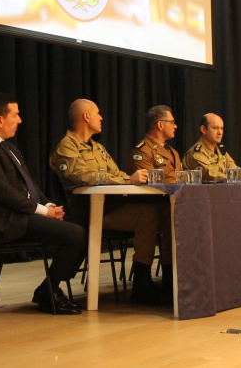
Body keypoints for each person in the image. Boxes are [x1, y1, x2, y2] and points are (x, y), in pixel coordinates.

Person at [0, 92, 87, 315]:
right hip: (3, 220)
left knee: (86, 229)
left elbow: (31, 186)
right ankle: (49, 291)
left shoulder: (9, 147)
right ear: (0, 120)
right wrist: (42, 211)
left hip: (22, 214)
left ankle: (48, 289)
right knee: (75, 234)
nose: (20, 120)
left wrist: (49, 206)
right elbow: (2, 191)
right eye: (16, 115)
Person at [49, 99, 172, 305]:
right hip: (87, 213)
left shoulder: (98, 148)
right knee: (147, 214)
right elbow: (82, 176)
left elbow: (115, 173)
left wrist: (128, 178)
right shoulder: (66, 148)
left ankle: (166, 279)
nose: (101, 117)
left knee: (162, 210)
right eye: (97, 113)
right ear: (86, 117)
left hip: (110, 208)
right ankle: (141, 284)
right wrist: (127, 180)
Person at [182, 113, 241, 183]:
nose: (220, 132)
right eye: (215, 128)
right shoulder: (197, 153)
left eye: (221, 128)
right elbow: (212, 176)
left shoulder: (220, 150)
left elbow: (235, 170)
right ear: (203, 129)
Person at [129, 105, 183, 183]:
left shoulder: (173, 151)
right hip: (157, 194)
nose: (175, 126)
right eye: (172, 123)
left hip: (176, 194)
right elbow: (151, 182)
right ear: (160, 125)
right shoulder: (142, 152)